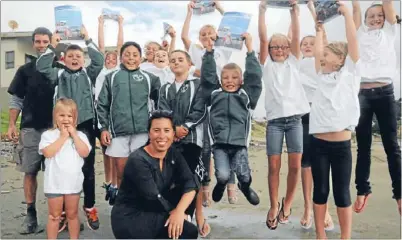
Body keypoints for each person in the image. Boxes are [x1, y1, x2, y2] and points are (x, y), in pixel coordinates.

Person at [36, 25, 104, 230]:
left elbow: (99, 60)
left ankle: (89, 206)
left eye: (79, 55)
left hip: (84, 126)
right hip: (62, 126)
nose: (75, 59)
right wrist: (53, 47)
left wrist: (88, 39)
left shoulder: (88, 74)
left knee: (87, 168)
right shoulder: (58, 74)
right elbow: (41, 66)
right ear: (63, 58)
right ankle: (64, 212)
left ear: (83, 59)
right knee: (62, 166)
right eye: (70, 56)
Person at [309, 1, 360, 238]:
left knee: (342, 193)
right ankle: (321, 235)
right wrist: (319, 29)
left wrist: (347, 15)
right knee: (320, 191)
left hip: (341, 145)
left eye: (327, 53)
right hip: (318, 143)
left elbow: (352, 41)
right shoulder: (321, 76)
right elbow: (318, 51)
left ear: (340, 59)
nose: (321, 55)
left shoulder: (350, 74)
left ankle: (345, 237)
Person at [7, 27, 64, 235]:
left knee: (57, 173)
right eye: (38, 41)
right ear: (33, 44)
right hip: (30, 127)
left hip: (55, 129)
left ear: (51, 42)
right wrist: (12, 124)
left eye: (45, 41)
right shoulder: (24, 70)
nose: (41, 45)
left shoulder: (60, 67)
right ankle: (31, 216)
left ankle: (61, 215)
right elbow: (16, 99)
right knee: (30, 172)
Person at [258, 0, 310, 230]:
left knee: (296, 166)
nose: (279, 49)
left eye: (283, 46)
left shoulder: (294, 62)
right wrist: (262, 11)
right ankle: (272, 205)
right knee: (273, 165)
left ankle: (286, 204)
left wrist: (294, 12)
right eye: (275, 47)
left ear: (289, 49)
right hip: (275, 123)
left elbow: (296, 35)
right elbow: (262, 38)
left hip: (295, 120)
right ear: (269, 50)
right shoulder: (266, 65)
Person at [181, 0, 237, 204]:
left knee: (226, 141)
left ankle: (231, 183)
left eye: (210, 34)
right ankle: (205, 184)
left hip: (223, 99)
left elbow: (232, 27)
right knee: (205, 146)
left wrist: (219, 6)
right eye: (203, 34)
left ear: (217, 36)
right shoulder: (196, 51)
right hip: (204, 100)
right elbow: (184, 36)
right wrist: (189, 13)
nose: (206, 37)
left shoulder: (223, 49)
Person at [111, 110, 199, 239]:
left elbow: (190, 183)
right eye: (157, 130)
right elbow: (154, 197)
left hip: (154, 209)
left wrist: (179, 212)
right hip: (131, 218)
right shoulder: (138, 159)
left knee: (186, 195)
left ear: (174, 134)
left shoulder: (172, 153)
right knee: (188, 231)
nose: (162, 135)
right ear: (149, 133)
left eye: (167, 130)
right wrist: (179, 217)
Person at [199, 33, 262, 206]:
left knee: (244, 175)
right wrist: (209, 52)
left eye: (234, 78)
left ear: (241, 80)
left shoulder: (246, 95)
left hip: (239, 144)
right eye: (225, 78)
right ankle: (220, 185)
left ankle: (246, 188)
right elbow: (207, 76)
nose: (230, 81)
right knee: (223, 175)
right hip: (219, 145)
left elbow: (255, 78)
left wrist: (250, 50)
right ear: (220, 80)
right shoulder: (213, 94)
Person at [287, 0, 334, 231]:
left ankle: (324, 209)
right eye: (304, 43)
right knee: (306, 164)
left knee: (323, 163)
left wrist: (311, 7)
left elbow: (320, 30)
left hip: (322, 114)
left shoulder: (321, 60)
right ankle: (307, 207)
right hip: (302, 115)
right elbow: (290, 39)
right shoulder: (295, 63)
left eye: (310, 43)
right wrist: (293, 10)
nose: (306, 45)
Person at [351, 0, 401, 215]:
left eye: (380, 15)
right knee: (364, 145)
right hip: (362, 94)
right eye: (371, 15)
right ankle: (363, 189)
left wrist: (387, 9)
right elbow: (354, 9)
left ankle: (399, 194)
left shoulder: (391, 32)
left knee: (392, 145)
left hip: (385, 93)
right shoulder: (360, 33)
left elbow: (389, 3)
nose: (376, 18)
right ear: (364, 20)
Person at [158, 49, 210, 237]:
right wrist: (173, 129)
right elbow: (163, 111)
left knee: (189, 178)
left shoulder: (198, 85)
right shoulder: (165, 88)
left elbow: (200, 110)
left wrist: (184, 127)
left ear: (189, 64)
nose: (176, 62)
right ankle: (172, 215)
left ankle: (186, 217)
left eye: (180, 59)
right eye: (172, 60)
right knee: (172, 178)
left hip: (192, 140)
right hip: (170, 141)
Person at [97, 41, 161, 191]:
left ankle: (140, 207)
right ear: (121, 57)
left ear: (141, 57)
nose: (131, 58)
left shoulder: (150, 78)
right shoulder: (111, 78)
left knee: (141, 172)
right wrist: (104, 129)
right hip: (118, 133)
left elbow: (159, 103)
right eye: (127, 54)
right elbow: (102, 105)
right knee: (121, 172)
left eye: (135, 55)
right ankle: (123, 205)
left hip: (142, 132)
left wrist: (156, 128)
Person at [39, 98, 91, 239]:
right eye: (62, 115)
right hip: (54, 184)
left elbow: (85, 152)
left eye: (70, 116)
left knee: (72, 215)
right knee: (54, 216)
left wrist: (73, 135)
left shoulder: (80, 136)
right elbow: (48, 153)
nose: (66, 119)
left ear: (75, 119)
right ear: (55, 116)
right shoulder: (48, 135)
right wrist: (62, 137)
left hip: (73, 184)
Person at [95, 14, 124, 206]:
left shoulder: (120, 70)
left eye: (115, 58)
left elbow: (121, 47)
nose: (111, 59)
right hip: (103, 115)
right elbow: (101, 48)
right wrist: (100, 24)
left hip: (118, 116)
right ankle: (108, 182)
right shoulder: (101, 72)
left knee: (117, 153)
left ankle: (116, 184)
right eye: (109, 57)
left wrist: (120, 24)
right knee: (107, 152)